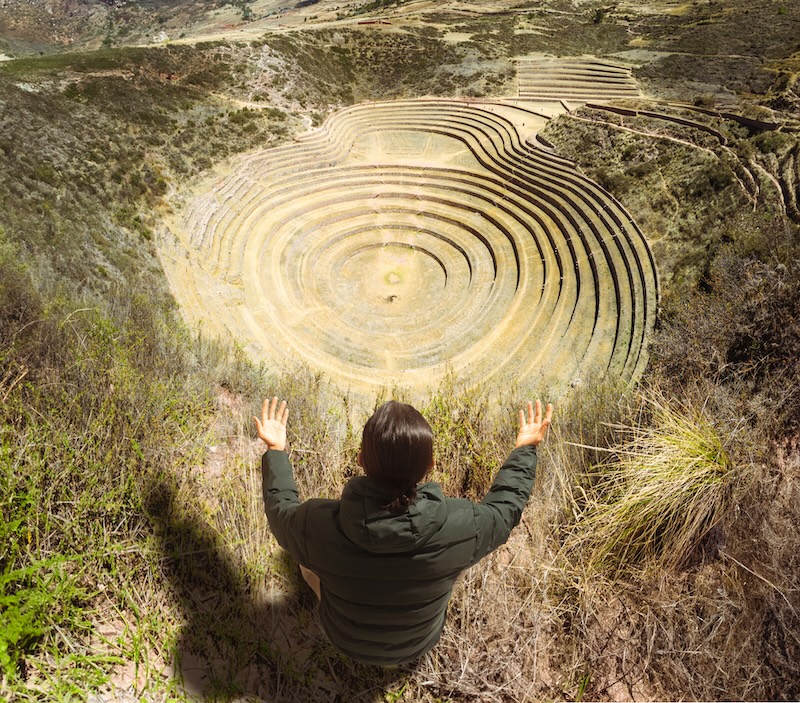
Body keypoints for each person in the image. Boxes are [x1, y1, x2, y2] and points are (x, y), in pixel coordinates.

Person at [254, 395, 553, 666]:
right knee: (459, 558)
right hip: (418, 644)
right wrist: (525, 449)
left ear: (360, 460)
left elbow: (280, 512)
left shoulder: (314, 525)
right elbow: (504, 513)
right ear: (430, 466)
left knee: (303, 557)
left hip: (345, 640)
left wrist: (275, 450)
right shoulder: (465, 526)